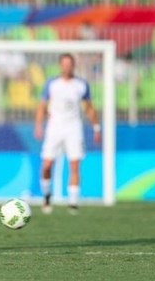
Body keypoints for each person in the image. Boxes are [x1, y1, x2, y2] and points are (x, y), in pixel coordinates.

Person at [34, 53, 101, 215]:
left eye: (69, 64)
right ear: (60, 65)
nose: (67, 67)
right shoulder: (52, 83)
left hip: (74, 127)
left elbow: (89, 107)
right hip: (54, 127)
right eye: (64, 64)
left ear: (73, 66)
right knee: (47, 165)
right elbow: (42, 105)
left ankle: (73, 203)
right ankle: (47, 196)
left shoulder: (81, 84)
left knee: (75, 165)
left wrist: (96, 127)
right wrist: (38, 125)